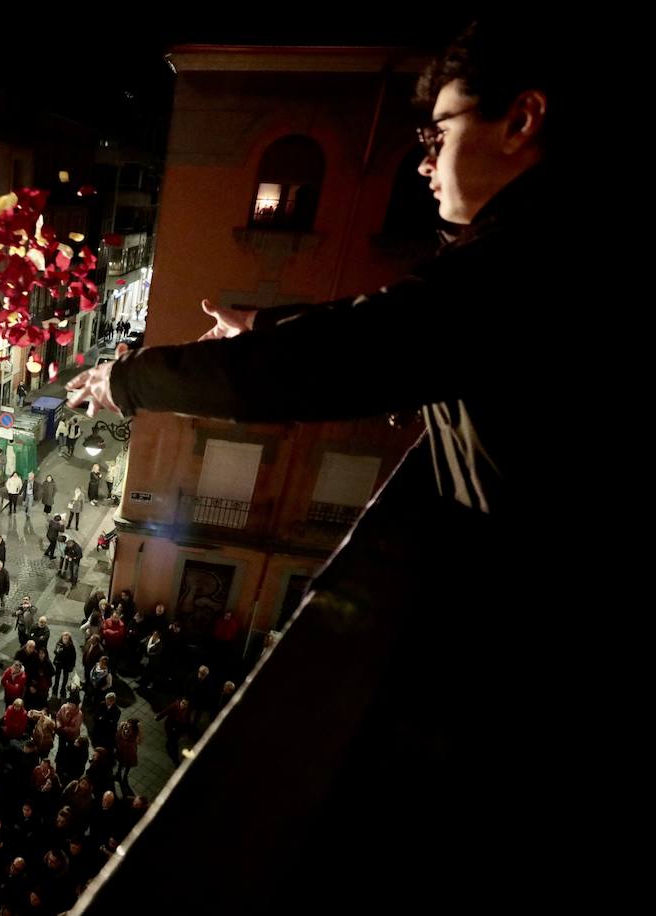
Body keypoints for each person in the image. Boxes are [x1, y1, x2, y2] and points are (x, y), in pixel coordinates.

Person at [64, 20, 584, 905]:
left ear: (521, 119)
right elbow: (382, 329)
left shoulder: (527, 264)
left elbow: (362, 347)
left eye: (438, 132)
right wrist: (265, 325)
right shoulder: (517, 255)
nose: (422, 163)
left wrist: (132, 380)